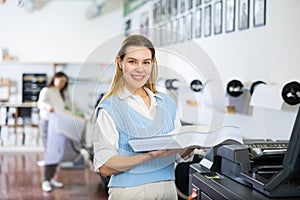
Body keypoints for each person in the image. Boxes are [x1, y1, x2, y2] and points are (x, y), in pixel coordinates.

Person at [93, 34, 193, 199]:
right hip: (130, 192)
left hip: (168, 189)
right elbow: (105, 167)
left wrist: (190, 145)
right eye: (132, 61)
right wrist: (148, 156)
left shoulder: (168, 103)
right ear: (120, 62)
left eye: (146, 62)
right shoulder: (109, 108)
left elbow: (176, 154)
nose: (140, 69)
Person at [37, 71, 69, 192]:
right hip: (47, 123)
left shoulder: (59, 93)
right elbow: (40, 103)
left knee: (56, 153)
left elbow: (62, 108)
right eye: (61, 81)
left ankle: (51, 178)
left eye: (64, 83)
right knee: (50, 153)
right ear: (55, 78)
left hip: (58, 125)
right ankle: (45, 181)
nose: (62, 84)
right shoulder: (47, 90)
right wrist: (47, 107)